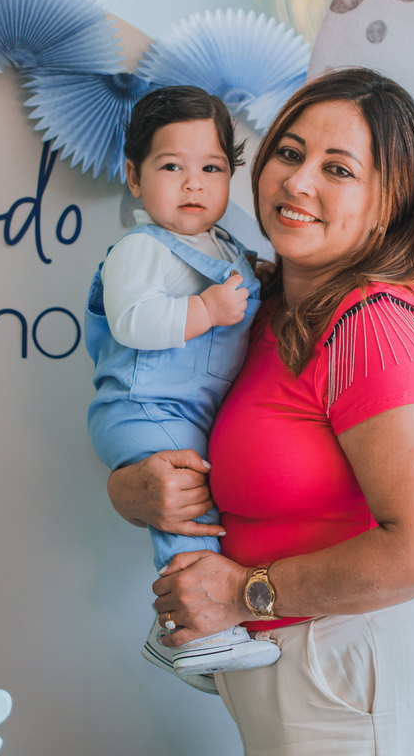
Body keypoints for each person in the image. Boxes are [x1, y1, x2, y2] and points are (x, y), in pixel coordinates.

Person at [106, 68, 414, 754]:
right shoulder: (258, 309)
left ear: (387, 202)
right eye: (290, 153)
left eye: (338, 168)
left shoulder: (374, 327)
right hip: (294, 676)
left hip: (350, 672)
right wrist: (133, 488)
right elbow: (168, 426)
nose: (299, 183)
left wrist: (246, 594)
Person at [84, 86, 281, 690]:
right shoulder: (141, 249)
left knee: (201, 507)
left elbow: (245, 287)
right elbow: (134, 322)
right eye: (172, 167)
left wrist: (261, 282)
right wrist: (206, 309)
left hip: (184, 408)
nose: (193, 184)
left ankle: (175, 634)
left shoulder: (223, 248)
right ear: (134, 177)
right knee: (187, 507)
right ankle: (196, 631)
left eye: (211, 168)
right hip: (143, 408)